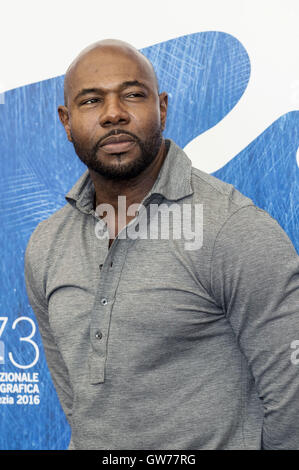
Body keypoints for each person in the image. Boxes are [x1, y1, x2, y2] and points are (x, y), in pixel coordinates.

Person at [24, 39, 299, 450]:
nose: (114, 113)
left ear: (162, 108)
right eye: (91, 101)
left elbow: (291, 399)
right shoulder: (46, 244)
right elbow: (79, 404)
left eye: (133, 95)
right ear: (66, 121)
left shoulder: (233, 229)